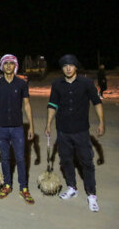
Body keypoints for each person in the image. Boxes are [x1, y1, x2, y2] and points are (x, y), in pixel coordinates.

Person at [45, 54, 105, 212]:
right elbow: (52, 105)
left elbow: (97, 102)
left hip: (81, 131)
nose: (68, 68)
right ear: (62, 68)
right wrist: (48, 124)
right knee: (65, 161)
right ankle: (72, 187)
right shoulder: (57, 84)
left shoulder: (86, 83)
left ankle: (91, 194)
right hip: (63, 130)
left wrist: (101, 122)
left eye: (71, 65)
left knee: (86, 162)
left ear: (76, 67)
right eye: (65, 66)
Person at [0, 54, 35, 205]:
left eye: (11, 63)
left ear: (15, 66)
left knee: (20, 158)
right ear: (2, 66)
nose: (8, 66)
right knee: (5, 158)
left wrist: (31, 125)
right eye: (5, 63)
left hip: (17, 127)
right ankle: (7, 185)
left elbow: (26, 105)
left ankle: (24, 188)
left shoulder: (21, 84)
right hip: (1, 128)